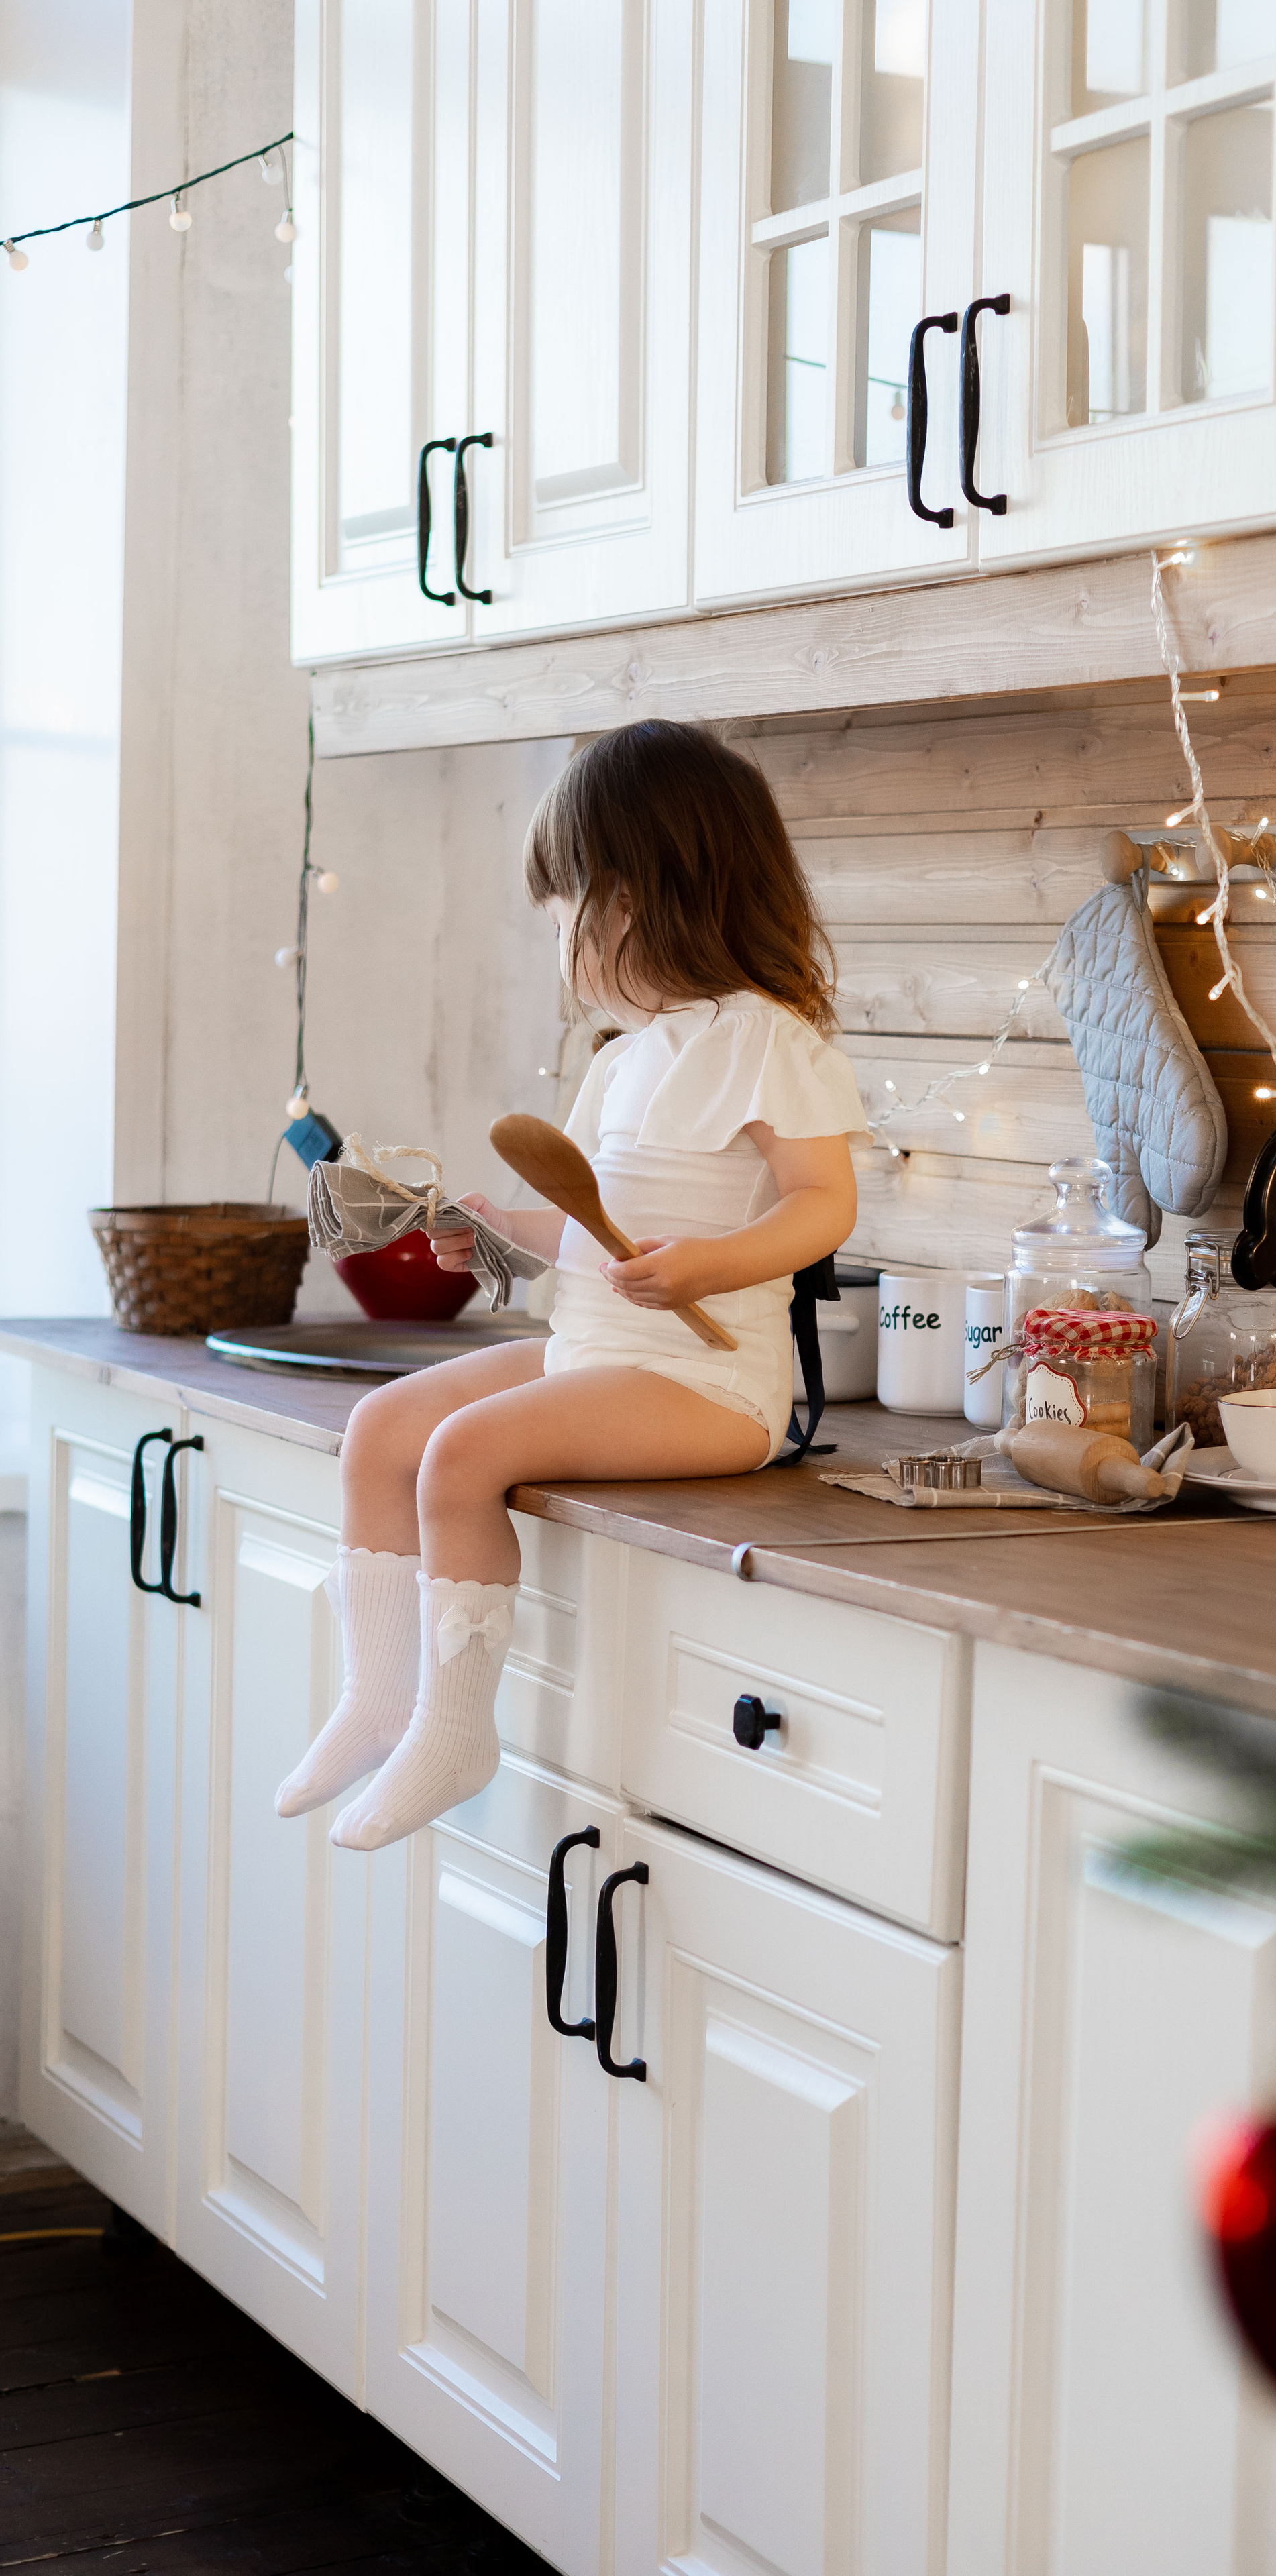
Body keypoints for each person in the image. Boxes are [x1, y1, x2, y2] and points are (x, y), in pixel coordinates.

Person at [275, 720, 867, 1851]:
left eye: (562, 908)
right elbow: (593, 1223)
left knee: (462, 1453)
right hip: (599, 1354)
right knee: (385, 1427)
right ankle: (382, 1694)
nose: (558, 937)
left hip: (709, 1382)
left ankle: (456, 1729)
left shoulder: (770, 1041)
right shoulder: (622, 1055)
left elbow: (820, 1205)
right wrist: (501, 1236)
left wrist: (712, 1263)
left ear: (633, 898)